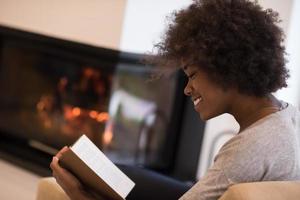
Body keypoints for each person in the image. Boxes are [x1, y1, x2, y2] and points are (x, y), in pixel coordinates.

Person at [50, 0, 300, 199]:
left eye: (192, 75)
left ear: (227, 68)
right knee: (121, 175)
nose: (187, 89)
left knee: (100, 183)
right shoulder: (286, 115)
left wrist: (79, 196)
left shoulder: (248, 150)